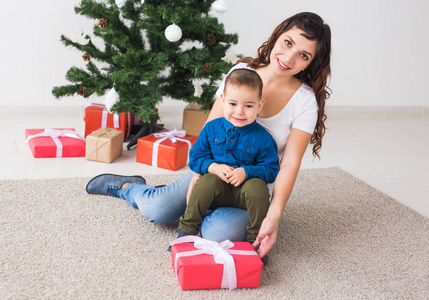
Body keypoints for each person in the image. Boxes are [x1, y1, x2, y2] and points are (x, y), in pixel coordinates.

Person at [86, 12, 331, 259]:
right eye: (288, 43)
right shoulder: (242, 71)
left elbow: (289, 164)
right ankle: (130, 187)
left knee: (216, 232)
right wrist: (197, 174)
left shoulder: (304, 101)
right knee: (157, 209)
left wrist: (274, 215)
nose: (289, 58)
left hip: (251, 189)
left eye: (304, 55)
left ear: (311, 63)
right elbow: (210, 129)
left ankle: (213, 214)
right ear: (277, 35)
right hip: (213, 173)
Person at [177, 69, 279, 245]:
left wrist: (246, 172)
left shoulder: (263, 138)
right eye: (233, 104)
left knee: (257, 187)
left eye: (248, 106)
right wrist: (213, 167)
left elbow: (271, 169)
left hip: (244, 198)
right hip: (216, 193)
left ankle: (255, 240)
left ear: (259, 105)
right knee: (207, 181)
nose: (239, 112)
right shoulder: (211, 129)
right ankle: (187, 231)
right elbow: (195, 157)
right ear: (223, 100)